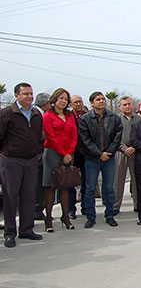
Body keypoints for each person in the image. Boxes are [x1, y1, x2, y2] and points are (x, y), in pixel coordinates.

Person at [0, 83, 44, 248]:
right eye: (25, 94)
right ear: (16, 95)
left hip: (31, 160)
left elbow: (39, 136)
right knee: (11, 197)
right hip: (12, 161)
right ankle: (10, 233)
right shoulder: (7, 114)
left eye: (31, 93)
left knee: (28, 196)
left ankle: (27, 229)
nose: (29, 97)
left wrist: (37, 152)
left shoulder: (35, 114)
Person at [79, 91, 123, 229]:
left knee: (109, 188)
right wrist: (99, 154)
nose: (101, 101)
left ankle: (109, 215)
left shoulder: (114, 118)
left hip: (109, 158)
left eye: (103, 99)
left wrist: (108, 152)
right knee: (90, 188)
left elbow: (117, 136)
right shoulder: (85, 119)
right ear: (92, 103)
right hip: (92, 159)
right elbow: (85, 140)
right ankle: (90, 216)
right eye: (98, 99)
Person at [41, 88, 78, 232]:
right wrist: (63, 153)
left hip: (68, 154)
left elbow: (74, 135)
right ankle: (49, 219)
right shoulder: (47, 116)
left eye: (65, 99)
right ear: (54, 100)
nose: (63, 101)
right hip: (52, 153)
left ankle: (65, 217)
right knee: (50, 187)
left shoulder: (70, 116)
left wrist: (69, 153)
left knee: (65, 185)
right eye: (60, 98)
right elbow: (51, 137)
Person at [114, 96, 140, 214]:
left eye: (129, 104)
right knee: (118, 180)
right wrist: (124, 148)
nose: (127, 106)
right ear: (120, 107)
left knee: (137, 180)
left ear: (132, 105)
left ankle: (138, 205)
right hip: (121, 152)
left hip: (136, 153)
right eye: (124, 105)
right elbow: (115, 137)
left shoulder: (139, 119)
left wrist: (134, 148)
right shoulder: (116, 119)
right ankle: (115, 206)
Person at [68, 94, 87, 218]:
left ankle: (85, 207)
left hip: (86, 153)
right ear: (71, 105)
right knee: (70, 183)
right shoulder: (68, 117)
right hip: (72, 154)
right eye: (75, 102)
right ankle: (70, 209)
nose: (78, 104)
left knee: (87, 182)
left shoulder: (88, 116)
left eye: (80, 102)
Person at [33, 92, 50, 221]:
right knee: (38, 184)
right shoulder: (38, 115)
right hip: (37, 154)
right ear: (46, 104)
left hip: (39, 154)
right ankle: (36, 210)